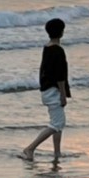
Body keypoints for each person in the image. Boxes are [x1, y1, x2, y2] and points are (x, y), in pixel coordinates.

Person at [19, 18, 71, 162]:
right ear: (61, 32)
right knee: (57, 124)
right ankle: (30, 148)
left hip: (46, 89)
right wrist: (62, 94)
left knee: (57, 122)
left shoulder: (47, 48)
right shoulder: (58, 51)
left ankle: (57, 153)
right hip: (54, 90)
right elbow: (60, 75)